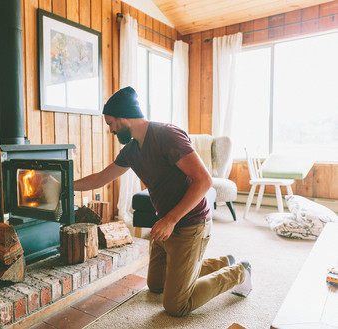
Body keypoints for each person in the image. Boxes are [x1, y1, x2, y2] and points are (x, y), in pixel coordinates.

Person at [74, 86, 252, 317]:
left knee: (176, 305)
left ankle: (239, 272)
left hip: (190, 223)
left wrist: (170, 220)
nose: (111, 130)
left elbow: (204, 180)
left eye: (111, 123)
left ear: (124, 117)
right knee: (156, 285)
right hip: (165, 226)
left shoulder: (166, 135)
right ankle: (223, 262)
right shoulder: (131, 150)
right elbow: (100, 178)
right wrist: (66, 185)